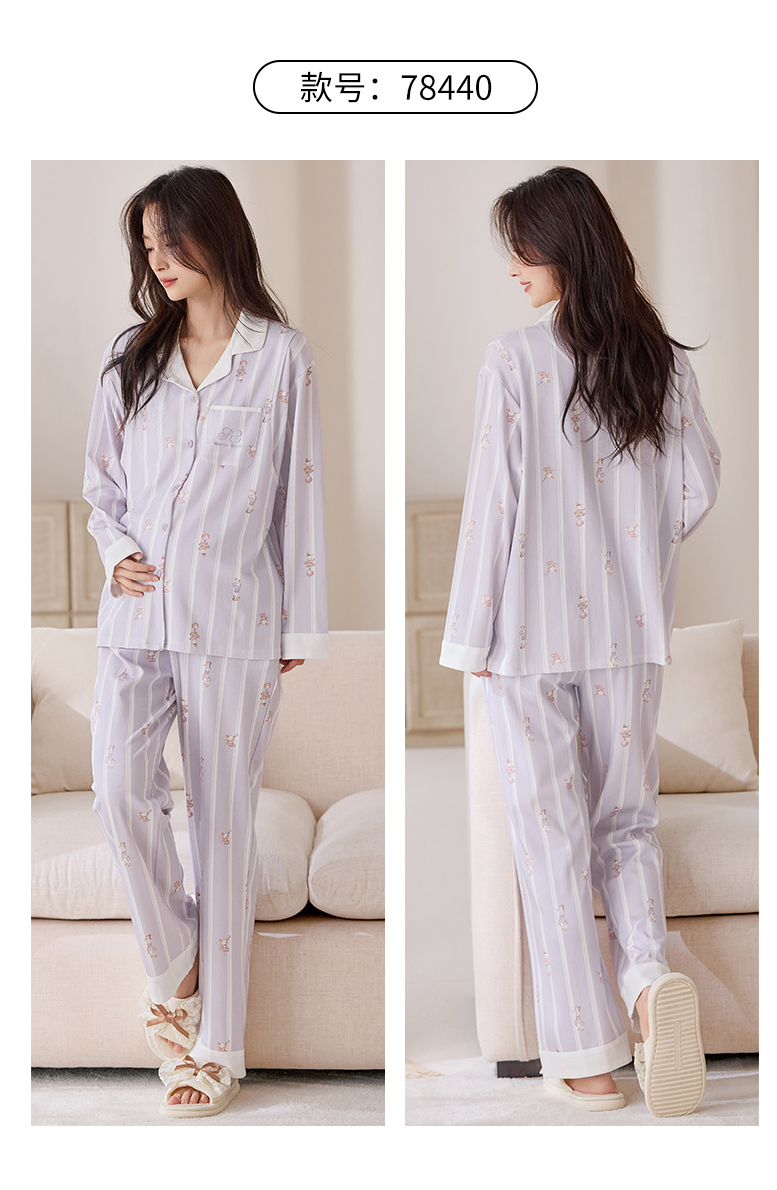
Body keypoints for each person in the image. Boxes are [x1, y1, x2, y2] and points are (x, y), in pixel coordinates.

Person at [439, 166, 719, 1117]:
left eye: (524, 248)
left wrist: (470, 635)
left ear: (566, 245)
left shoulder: (514, 360)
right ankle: (646, 981)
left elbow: (494, 505)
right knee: (626, 824)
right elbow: (699, 485)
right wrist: (631, 551)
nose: (513, 266)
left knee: (551, 837)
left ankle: (590, 1062)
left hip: (528, 638)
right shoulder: (661, 361)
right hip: (631, 633)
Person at [84, 165, 328, 1118]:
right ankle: (177, 963)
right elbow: (102, 484)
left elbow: (299, 496)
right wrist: (114, 552)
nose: (158, 260)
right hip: (135, 618)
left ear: (215, 234)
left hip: (235, 622)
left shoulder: (281, 359)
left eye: (171, 240)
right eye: (147, 246)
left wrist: (299, 622)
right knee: (118, 786)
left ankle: (218, 1047)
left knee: (222, 825)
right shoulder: (132, 355)